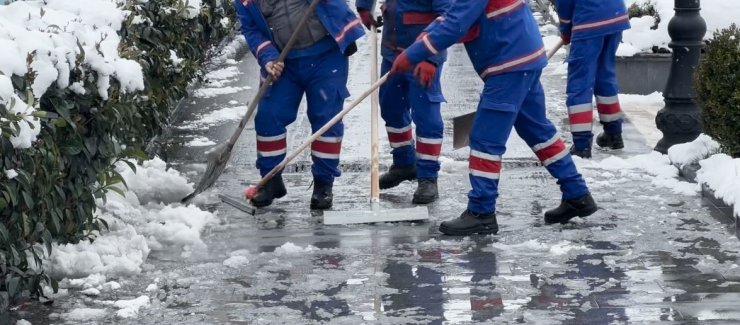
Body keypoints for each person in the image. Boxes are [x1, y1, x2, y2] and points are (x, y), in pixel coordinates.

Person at [389, 0, 598, 236]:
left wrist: (414, 54)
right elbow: (454, 17)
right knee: (539, 131)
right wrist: (422, 43)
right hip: (522, 57)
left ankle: (481, 212)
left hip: (508, 64)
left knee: (484, 139)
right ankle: (577, 194)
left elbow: (456, 23)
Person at [234, 0, 364, 209]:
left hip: (326, 54)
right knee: (268, 115)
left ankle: (323, 183)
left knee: (326, 118)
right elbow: (251, 28)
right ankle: (270, 180)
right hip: (283, 60)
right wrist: (267, 57)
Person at [355, 0, 450, 204]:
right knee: (391, 108)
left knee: (426, 116)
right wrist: (363, 6)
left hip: (423, 57)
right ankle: (404, 163)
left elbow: (448, 19)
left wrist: (431, 58)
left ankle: (428, 176)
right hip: (393, 51)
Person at [555, 0, 631, 158]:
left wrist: (565, 28)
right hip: (614, 17)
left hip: (589, 21)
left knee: (580, 83)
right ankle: (613, 133)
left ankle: (582, 144)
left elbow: (564, 3)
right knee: (604, 76)